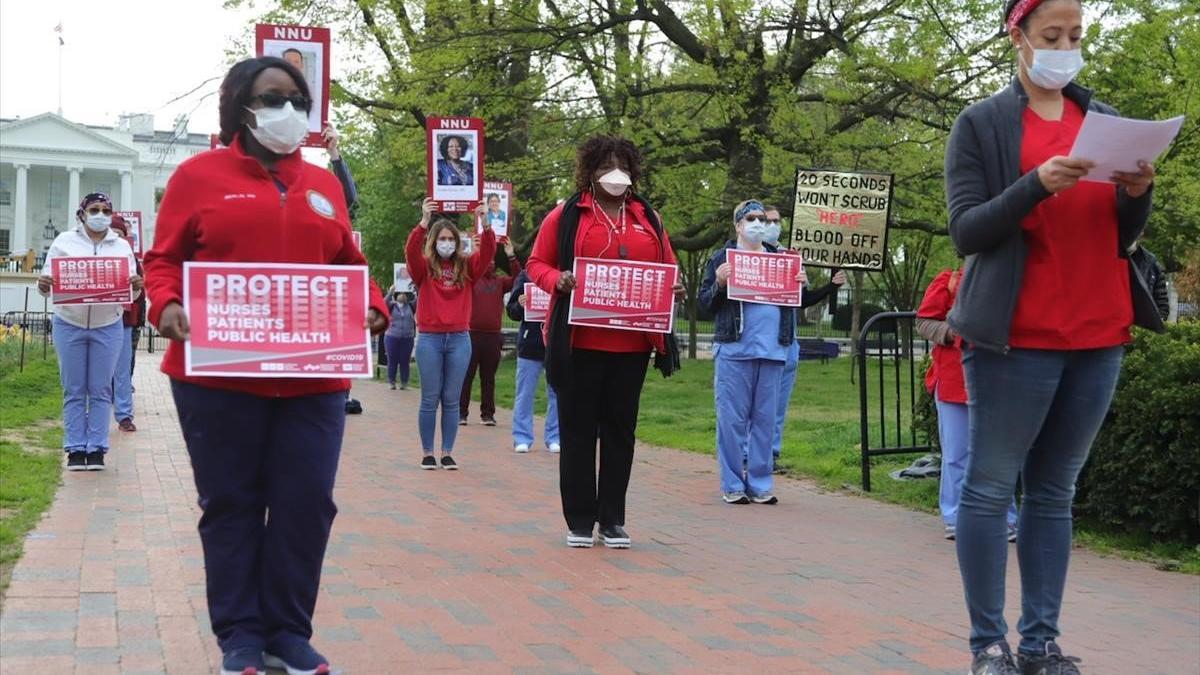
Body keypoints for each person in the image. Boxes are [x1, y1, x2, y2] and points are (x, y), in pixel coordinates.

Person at [143, 56, 389, 675]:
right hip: (217, 377)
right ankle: (241, 636)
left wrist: (373, 303)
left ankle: (288, 631)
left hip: (313, 377)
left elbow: (347, 262)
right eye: (273, 97)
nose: (289, 111)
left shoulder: (324, 185)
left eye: (298, 100)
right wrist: (165, 304)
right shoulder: (197, 176)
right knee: (231, 502)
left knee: (308, 502)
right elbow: (163, 259)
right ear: (242, 106)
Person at [944, 1, 1158, 672]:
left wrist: (1137, 193)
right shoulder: (980, 123)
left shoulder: (1106, 121)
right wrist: (1033, 185)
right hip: (1017, 335)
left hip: (1098, 332)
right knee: (988, 487)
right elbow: (968, 231)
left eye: (1076, 36)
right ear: (1019, 37)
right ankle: (989, 644)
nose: (1066, 48)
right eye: (1052, 36)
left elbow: (1120, 236)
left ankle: (1040, 644)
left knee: (1055, 491)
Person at [526, 135, 683, 549]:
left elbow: (668, 264)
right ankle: (580, 519)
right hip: (580, 340)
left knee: (620, 432)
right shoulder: (566, 215)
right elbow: (536, 263)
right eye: (605, 167)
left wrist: (674, 285)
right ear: (589, 172)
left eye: (623, 167)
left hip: (633, 344)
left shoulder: (648, 217)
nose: (615, 175)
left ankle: (612, 519)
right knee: (578, 432)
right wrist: (555, 280)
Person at [699, 200, 805, 505]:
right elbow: (705, 303)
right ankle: (733, 484)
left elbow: (795, 301)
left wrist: (800, 283)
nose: (759, 223)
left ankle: (760, 483)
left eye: (762, 218)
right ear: (738, 225)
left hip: (773, 352)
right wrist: (720, 282)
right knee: (731, 422)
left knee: (764, 422)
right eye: (751, 218)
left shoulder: (782, 259)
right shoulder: (722, 258)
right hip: (735, 350)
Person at [37, 193, 141, 472]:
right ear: (82, 214)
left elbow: (132, 289)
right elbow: (47, 282)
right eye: (94, 209)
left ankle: (96, 448)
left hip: (107, 325)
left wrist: (137, 284)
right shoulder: (63, 242)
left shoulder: (121, 247)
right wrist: (44, 284)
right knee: (73, 389)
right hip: (68, 323)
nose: (100, 214)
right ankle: (74, 448)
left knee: (100, 389)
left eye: (106, 210)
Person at [915, 269, 1018, 542]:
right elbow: (924, 321)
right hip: (953, 381)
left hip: (999, 381)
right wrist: (953, 333)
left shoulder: (1014, 278)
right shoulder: (948, 281)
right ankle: (956, 517)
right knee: (956, 455)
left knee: (998, 455)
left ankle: (1005, 517)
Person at [406, 199, 496, 470]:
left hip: (459, 339)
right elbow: (411, 250)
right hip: (430, 340)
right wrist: (424, 221)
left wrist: (485, 222)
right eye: (442, 238)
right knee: (430, 398)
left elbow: (489, 252)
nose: (447, 242)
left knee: (451, 399)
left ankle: (446, 452)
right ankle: (427, 453)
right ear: (434, 242)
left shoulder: (467, 268)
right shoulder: (423, 268)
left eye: (451, 239)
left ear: (457, 242)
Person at [762, 205, 846, 467]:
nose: (773, 225)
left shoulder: (791, 257)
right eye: (767, 221)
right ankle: (748, 454)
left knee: (778, 406)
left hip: (788, 343)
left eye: (777, 221)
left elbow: (802, 300)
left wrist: (830, 287)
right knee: (759, 405)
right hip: (762, 343)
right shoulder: (746, 257)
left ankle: (771, 455)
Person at [459, 238, 521, 426]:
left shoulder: (500, 282)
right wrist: (476, 249)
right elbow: (465, 268)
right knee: (466, 377)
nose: (491, 263)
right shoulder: (471, 279)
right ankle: (461, 413)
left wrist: (511, 256)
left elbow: (518, 279)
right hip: (471, 335)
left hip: (493, 336)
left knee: (488, 378)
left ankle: (488, 414)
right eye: (488, 260)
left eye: (493, 260)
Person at [506, 269, 560, 454]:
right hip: (530, 344)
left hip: (555, 343)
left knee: (556, 393)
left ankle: (554, 436)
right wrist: (520, 305)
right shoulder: (525, 275)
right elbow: (511, 311)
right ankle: (522, 437)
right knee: (525, 393)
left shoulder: (562, 272)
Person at [108, 215, 144, 432]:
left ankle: (124, 415)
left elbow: (139, 294)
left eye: (119, 234)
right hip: (97, 319)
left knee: (122, 369)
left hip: (123, 320)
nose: (115, 237)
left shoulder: (131, 259)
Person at [385, 289, 416, 390]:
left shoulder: (411, 306)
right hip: (392, 337)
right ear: (396, 295)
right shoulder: (391, 305)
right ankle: (391, 382)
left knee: (404, 361)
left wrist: (416, 289)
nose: (402, 295)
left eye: (404, 294)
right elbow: (383, 303)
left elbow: (420, 299)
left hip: (407, 338)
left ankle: (404, 383)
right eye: (400, 293)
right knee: (392, 360)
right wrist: (390, 292)